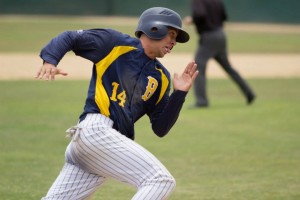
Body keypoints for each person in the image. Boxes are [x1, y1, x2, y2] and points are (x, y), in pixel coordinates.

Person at [35, 7, 198, 200]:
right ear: (154, 28)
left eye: (175, 37)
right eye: (171, 34)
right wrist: (50, 60)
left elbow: (161, 128)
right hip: (95, 130)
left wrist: (179, 94)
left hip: (98, 149)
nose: (173, 41)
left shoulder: (161, 78)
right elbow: (70, 37)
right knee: (160, 180)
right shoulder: (115, 43)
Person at [185, 0, 255, 107]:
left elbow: (200, 14)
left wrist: (192, 19)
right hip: (221, 35)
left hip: (209, 37)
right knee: (228, 67)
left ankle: (201, 101)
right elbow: (224, 17)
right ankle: (249, 93)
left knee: (197, 66)